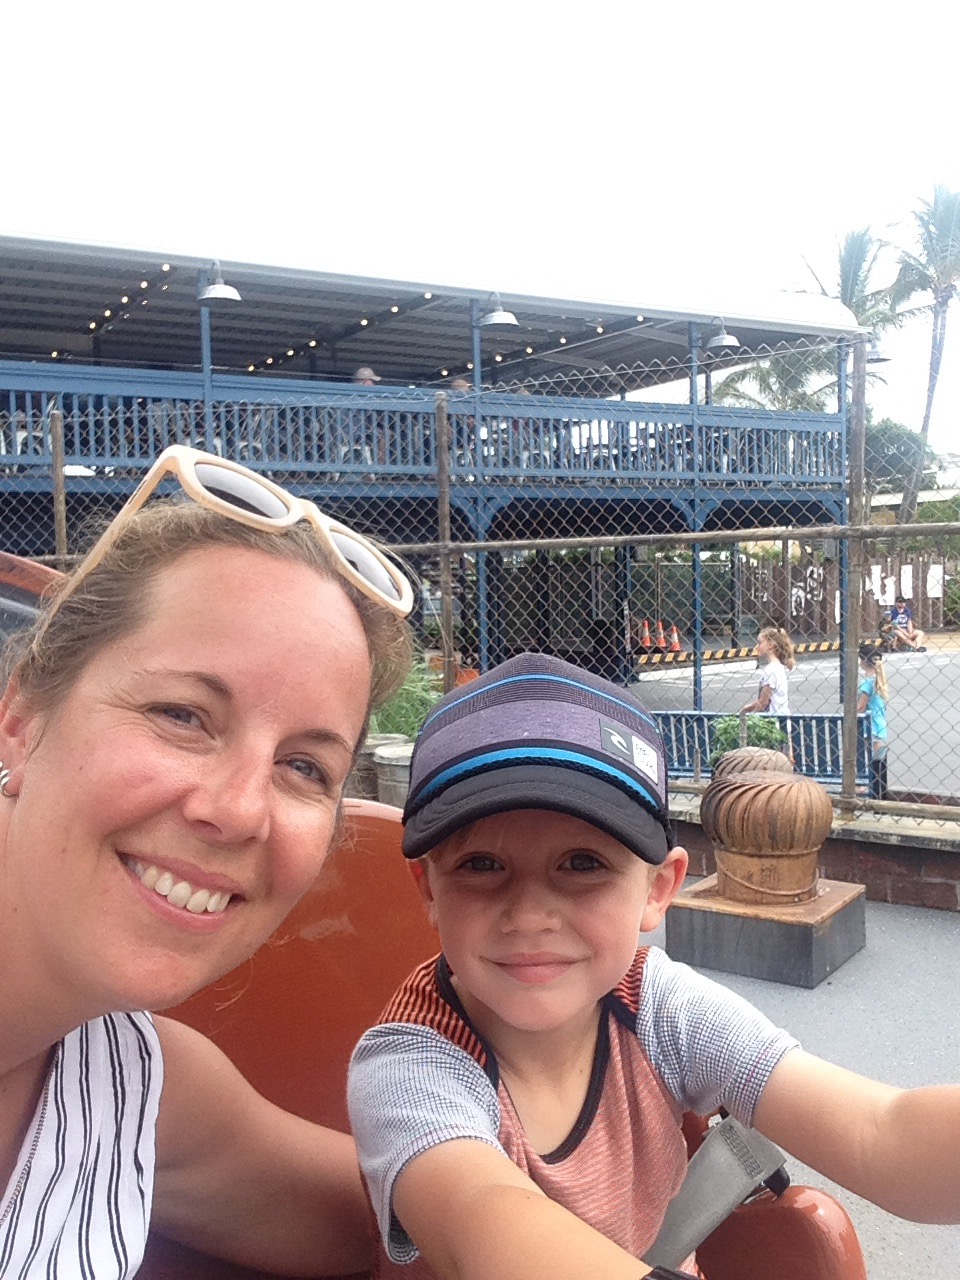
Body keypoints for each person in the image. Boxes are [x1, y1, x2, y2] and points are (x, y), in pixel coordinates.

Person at [348, 652, 960, 1280]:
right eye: (481, 865)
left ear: (658, 889)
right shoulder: (407, 1069)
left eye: (582, 864)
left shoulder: (661, 1008)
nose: (528, 916)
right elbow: (484, 1219)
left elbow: (881, 1134)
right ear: (428, 888)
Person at [0, 444, 415, 1278]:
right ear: (23, 720)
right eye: (183, 715)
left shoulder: (126, 1084)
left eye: (305, 767)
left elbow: (384, 1226)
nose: (237, 810)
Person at [858, 642, 889, 799]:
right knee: (878, 761)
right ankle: (879, 790)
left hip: (871, 727)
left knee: (871, 759)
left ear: (864, 661)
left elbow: (861, 707)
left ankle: (870, 788)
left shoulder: (867, 683)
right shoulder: (879, 681)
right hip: (880, 725)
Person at [740, 625, 795, 715]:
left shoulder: (770, 670)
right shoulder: (778, 667)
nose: (757, 646)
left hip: (773, 718)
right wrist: (749, 707)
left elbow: (764, 702)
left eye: (760, 643)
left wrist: (751, 716)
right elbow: (769, 699)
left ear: (770, 645)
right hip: (782, 716)